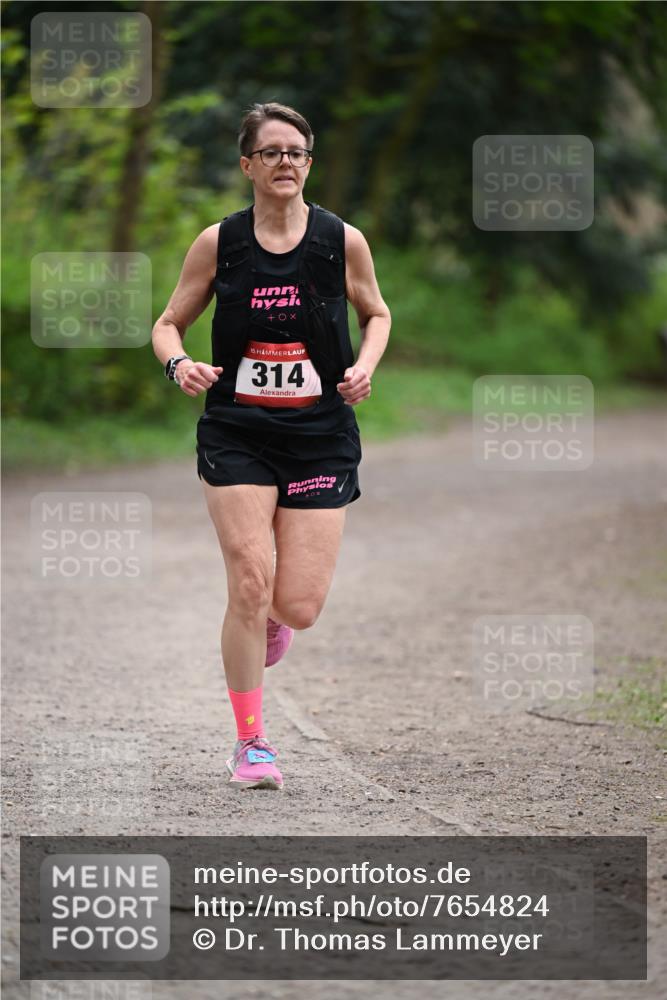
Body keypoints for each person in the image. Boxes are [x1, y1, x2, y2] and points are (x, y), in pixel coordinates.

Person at [152, 102, 391, 790]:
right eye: (272, 151)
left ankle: (273, 623)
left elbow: (375, 312)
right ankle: (251, 744)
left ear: (308, 164)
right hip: (237, 432)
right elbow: (168, 323)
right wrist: (178, 364)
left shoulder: (340, 240)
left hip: (319, 435)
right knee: (249, 583)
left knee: (297, 606)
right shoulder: (218, 243)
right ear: (247, 165)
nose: (285, 162)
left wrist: (365, 365)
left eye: (297, 152)